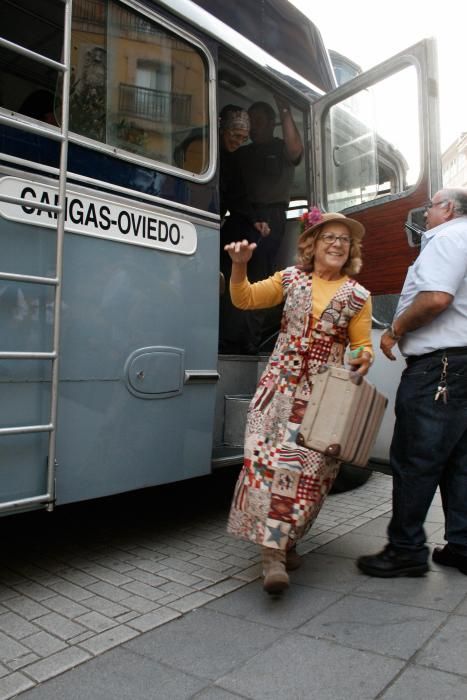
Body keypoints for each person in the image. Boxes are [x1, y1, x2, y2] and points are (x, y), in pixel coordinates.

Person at [226, 210, 373, 594]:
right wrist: (240, 267)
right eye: (329, 237)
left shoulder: (358, 296)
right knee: (267, 468)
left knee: (310, 478)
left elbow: (362, 345)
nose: (338, 243)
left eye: (344, 239)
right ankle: (271, 556)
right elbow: (245, 299)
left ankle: (287, 542)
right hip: (277, 391)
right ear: (312, 245)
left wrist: (362, 356)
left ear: (351, 249)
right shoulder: (291, 279)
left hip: (321, 399)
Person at [357, 187, 467, 578]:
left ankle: (406, 549)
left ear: (447, 209)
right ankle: (462, 545)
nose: (424, 215)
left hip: (438, 367)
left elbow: (436, 298)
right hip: (461, 365)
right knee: (459, 460)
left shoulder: (446, 237)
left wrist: (394, 329)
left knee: (416, 459)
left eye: (429, 207)